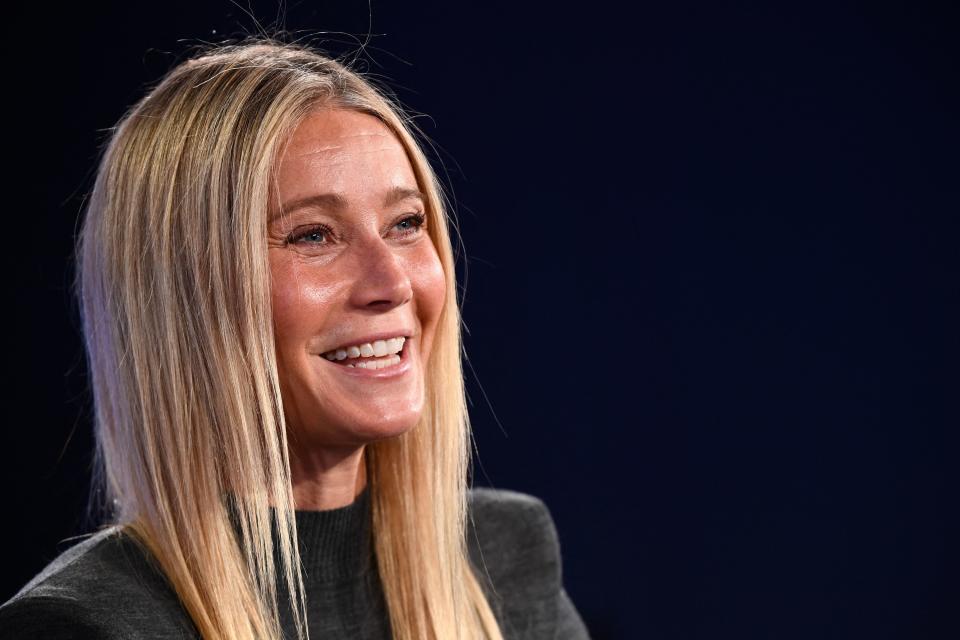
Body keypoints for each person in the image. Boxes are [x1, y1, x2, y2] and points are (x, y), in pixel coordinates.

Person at [0, 40, 589, 640]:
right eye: (313, 236)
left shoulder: (505, 560)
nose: (392, 282)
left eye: (406, 224)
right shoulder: (82, 624)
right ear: (182, 295)